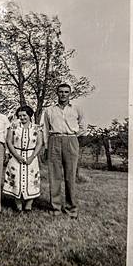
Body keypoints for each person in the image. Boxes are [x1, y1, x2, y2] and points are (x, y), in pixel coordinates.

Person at [43, 84, 86, 219]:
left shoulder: (76, 109)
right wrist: (46, 146)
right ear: (57, 93)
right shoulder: (49, 110)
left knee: (70, 176)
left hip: (70, 141)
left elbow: (83, 126)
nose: (63, 94)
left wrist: (72, 136)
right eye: (61, 92)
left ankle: (71, 208)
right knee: (54, 176)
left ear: (70, 94)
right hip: (54, 140)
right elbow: (45, 129)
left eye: (66, 92)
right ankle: (55, 207)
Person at [3, 105, 43, 212]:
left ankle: (28, 206)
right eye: (20, 116)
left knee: (31, 179)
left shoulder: (37, 128)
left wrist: (32, 157)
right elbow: (9, 142)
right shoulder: (14, 127)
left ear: (30, 115)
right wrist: (17, 156)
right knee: (16, 179)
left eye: (24, 115)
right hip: (16, 155)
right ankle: (18, 206)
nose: (22, 118)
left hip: (31, 156)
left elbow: (39, 143)